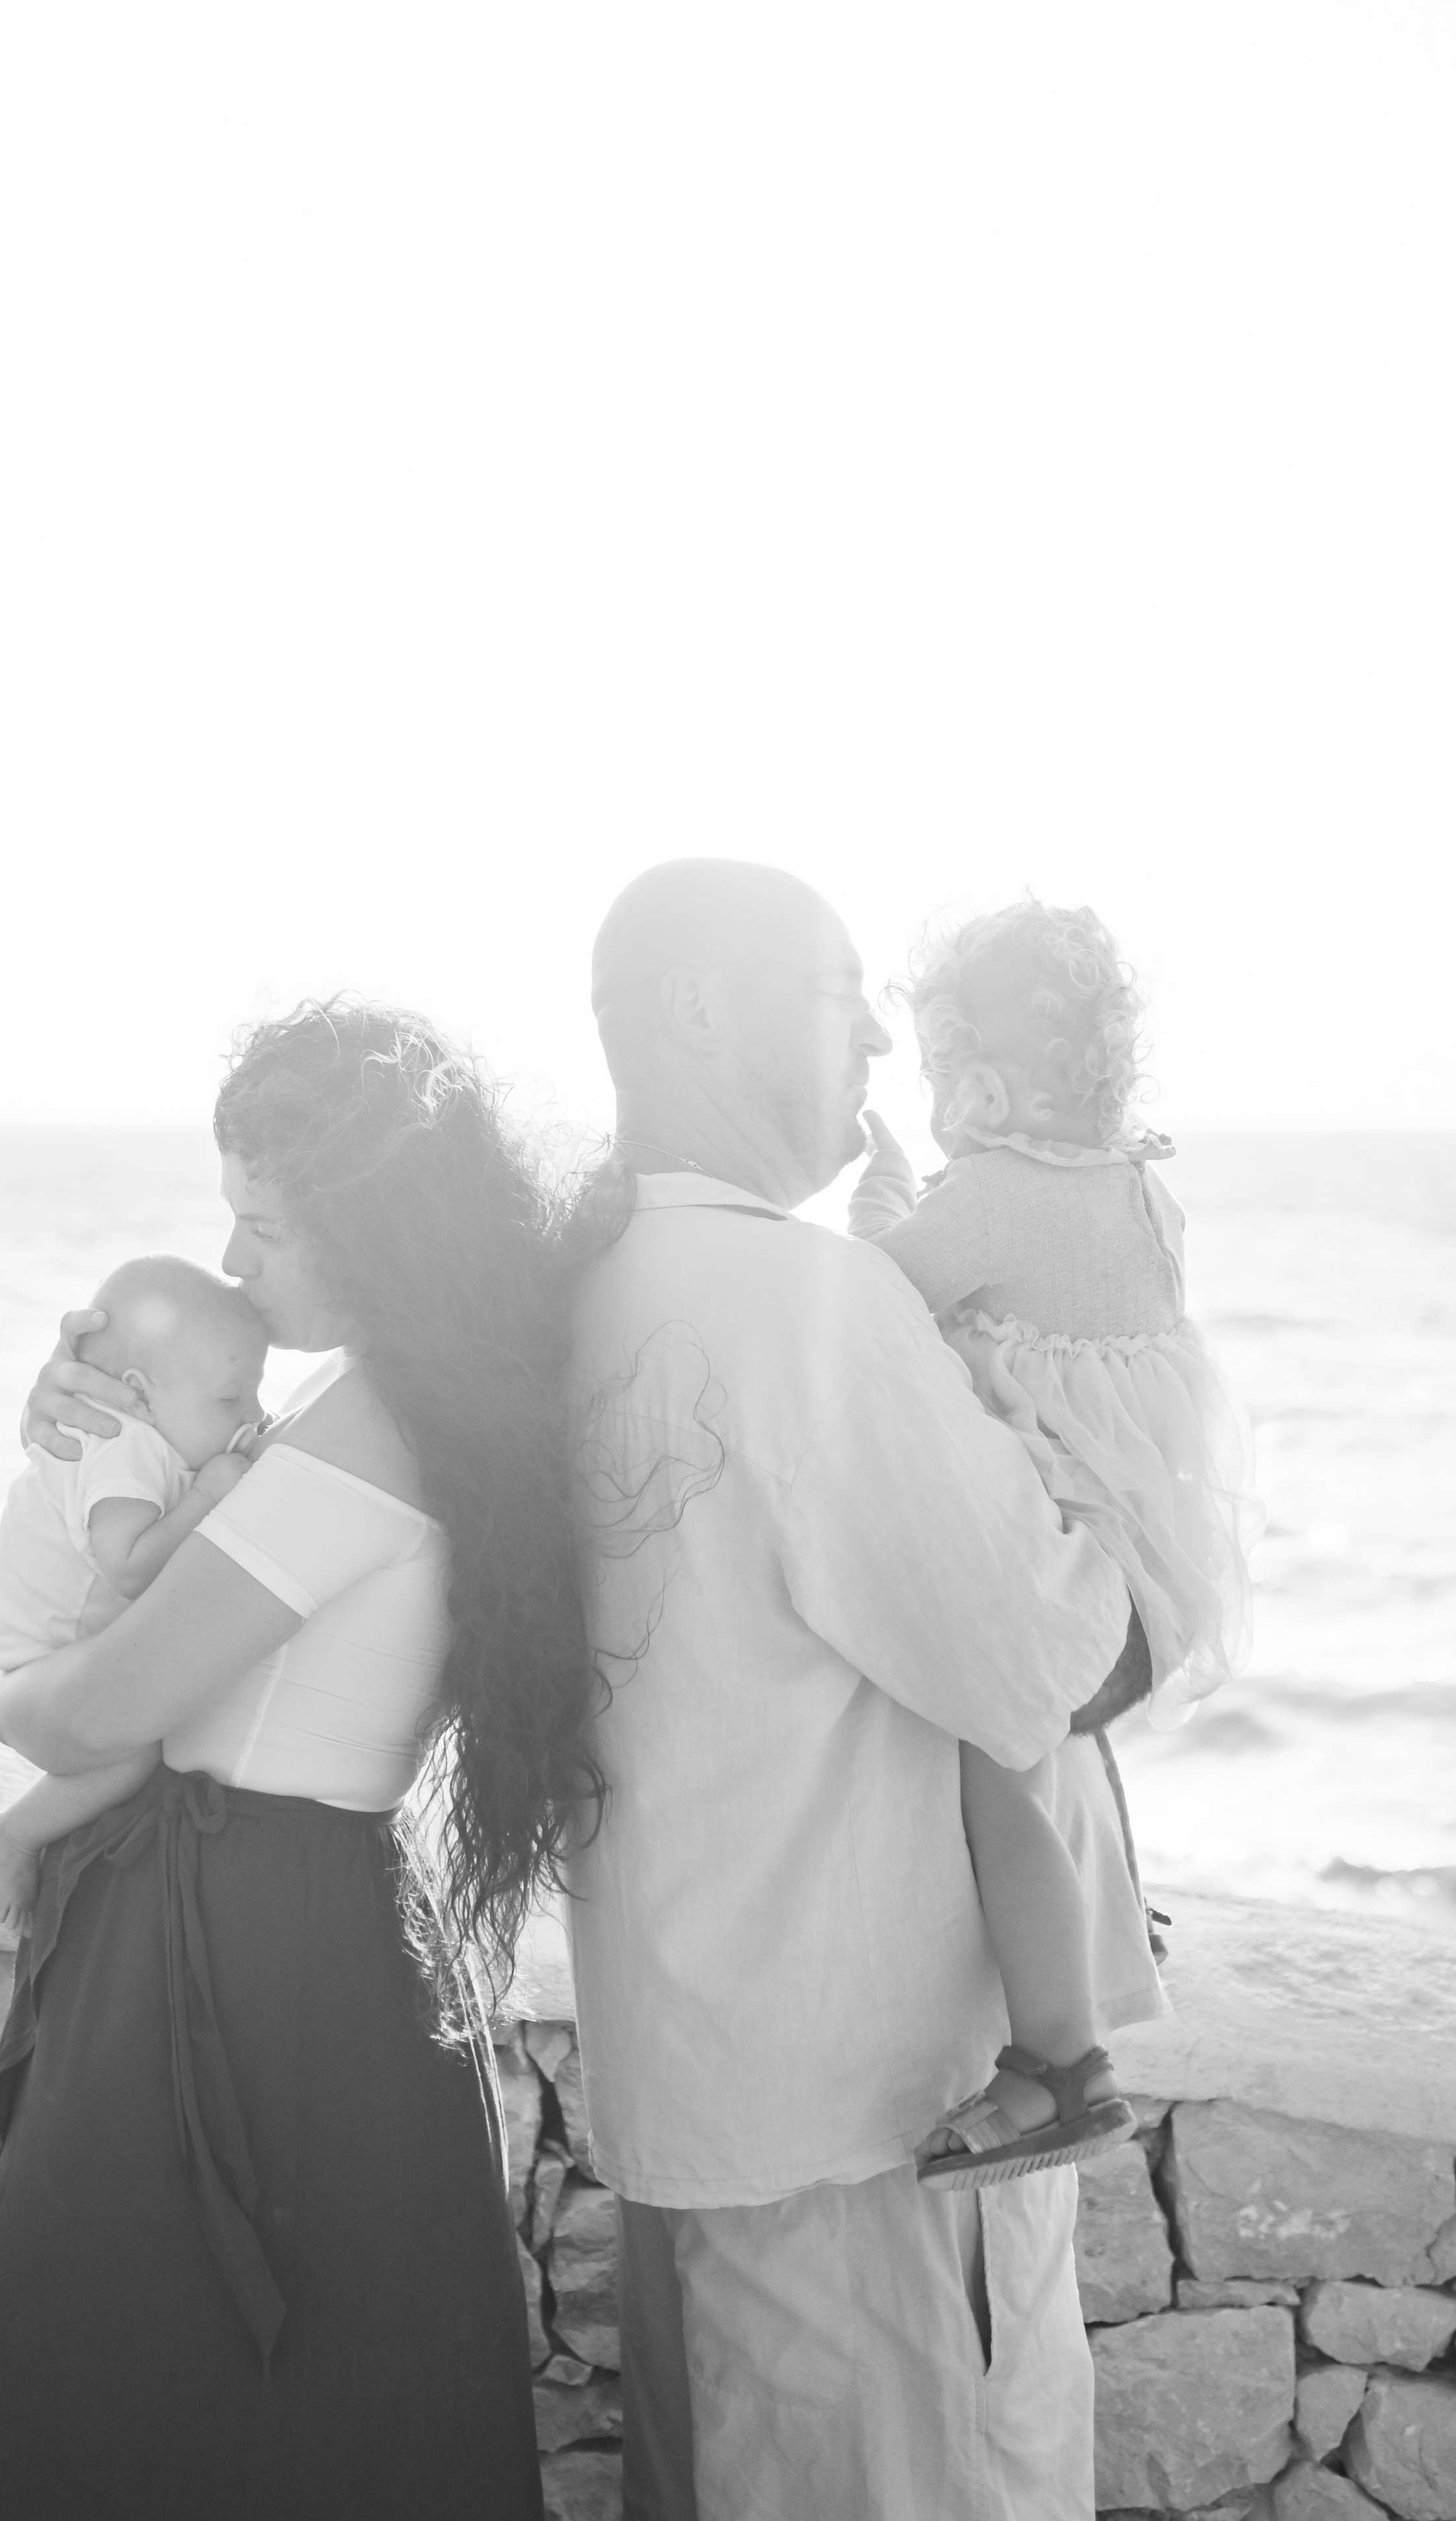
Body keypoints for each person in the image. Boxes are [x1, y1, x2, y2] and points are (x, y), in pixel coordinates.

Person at [0, 1001, 605, 2521]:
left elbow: (102, 1706)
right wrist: (93, 1423)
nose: (233, 1261)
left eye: (263, 1222)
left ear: (369, 1219)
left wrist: (14, 1701)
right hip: (296, 1922)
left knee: (138, 2408)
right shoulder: (409, 1393)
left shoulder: (370, 1419)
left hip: (250, 1947)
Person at [567, 860, 1148, 2521]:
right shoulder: (802, 1299)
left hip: (702, 2105)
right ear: (694, 1010)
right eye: (838, 989)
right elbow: (1046, 1657)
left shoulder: (584, 1294)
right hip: (886, 2132)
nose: (882, 1036)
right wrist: (1142, 1480)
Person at [848, 899, 1256, 2188]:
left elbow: (869, 1315)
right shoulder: (1137, 1186)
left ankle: (1058, 2062)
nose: (922, 1093)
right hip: (1152, 1589)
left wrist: (877, 1209)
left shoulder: (987, 1198)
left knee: (988, 1747)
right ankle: (1102, 1909)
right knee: (1052, 1727)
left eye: (931, 1065)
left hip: (1090, 1598)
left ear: (978, 1072)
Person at [0, 1256, 267, 1934]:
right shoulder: (124, 1447)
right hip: (46, 1656)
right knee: (137, 1746)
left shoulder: (156, 1433)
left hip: (57, 1654)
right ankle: (15, 1831)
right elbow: (130, 1568)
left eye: (256, 1391)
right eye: (230, 1399)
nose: (251, 1414)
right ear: (139, 1391)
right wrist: (206, 1496)